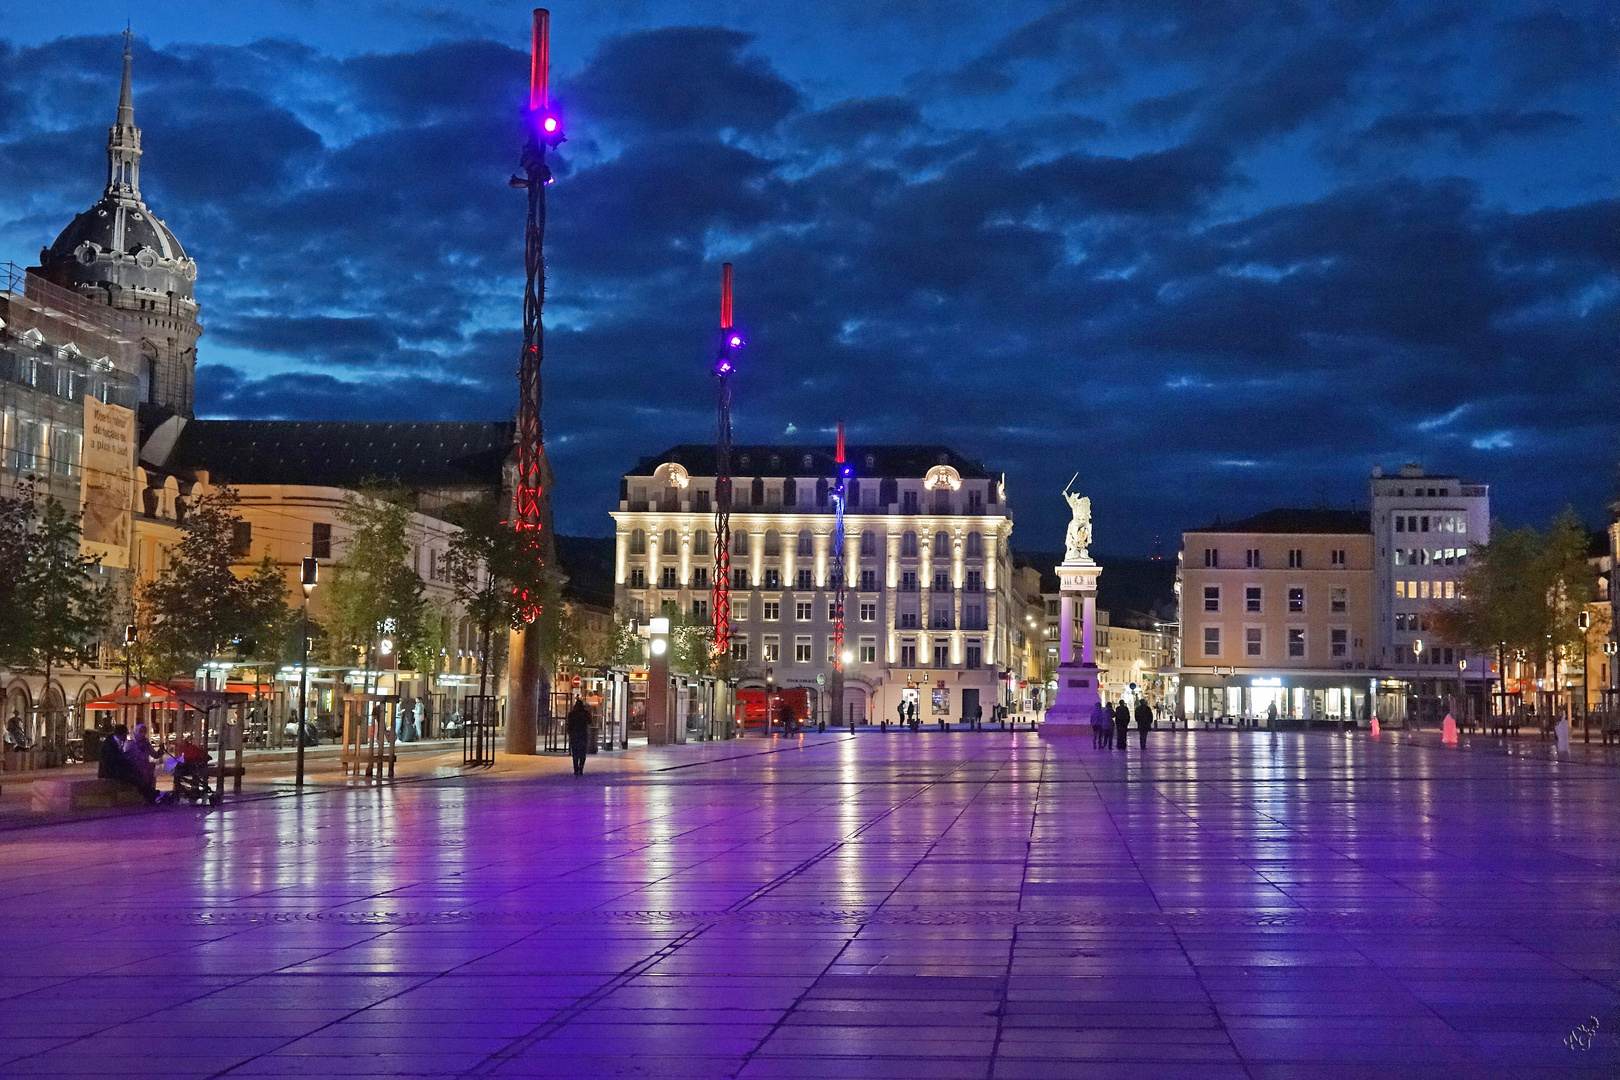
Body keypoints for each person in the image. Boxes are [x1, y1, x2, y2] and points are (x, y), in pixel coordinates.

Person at [122, 723, 161, 803]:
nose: (142, 734)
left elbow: (154, 755)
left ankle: (149, 793)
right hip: (134, 767)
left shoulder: (146, 743)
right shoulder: (131, 743)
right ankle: (148, 793)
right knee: (147, 771)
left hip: (145, 767)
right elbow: (126, 757)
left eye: (144, 731)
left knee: (150, 768)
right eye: (140, 731)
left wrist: (161, 751)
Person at [565, 698, 591, 776]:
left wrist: (569, 732)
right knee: (582, 752)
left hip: (574, 735)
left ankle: (576, 768)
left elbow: (569, 724)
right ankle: (581, 767)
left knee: (575, 752)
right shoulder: (585, 713)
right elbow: (590, 721)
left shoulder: (572, 714)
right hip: (583, 734)